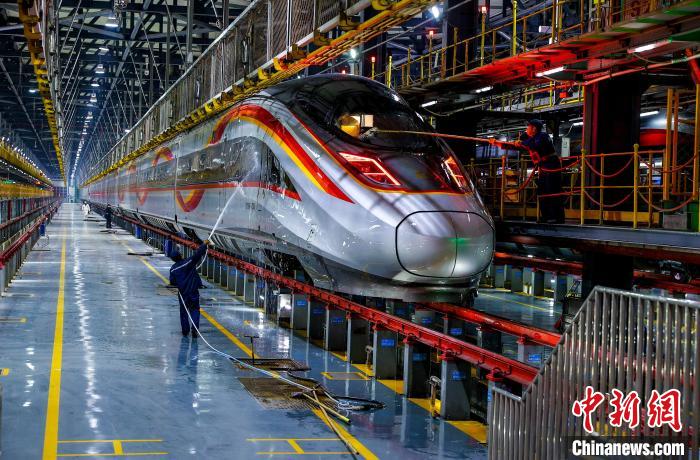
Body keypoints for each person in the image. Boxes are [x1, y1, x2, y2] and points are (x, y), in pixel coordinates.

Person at [516, 119, 565, 224]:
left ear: (534, 128)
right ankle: (546, 216)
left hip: (551, 164)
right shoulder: (534, 138)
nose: (526, 129)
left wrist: (523, 142)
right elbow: (528, 142)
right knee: (542, 191)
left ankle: (556, 217)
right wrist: (521, 140)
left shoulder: (542, 136)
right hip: (543, 165)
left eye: (528, 127)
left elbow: (535, 145)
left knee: (552, 190)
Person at [169, 240, 211, 337]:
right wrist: (204, 244)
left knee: (183, 312)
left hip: (183, 293)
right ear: (180, 256)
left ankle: (185, 331)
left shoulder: (173, 269)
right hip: (193, 292)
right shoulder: (188, 262)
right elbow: (198, 254)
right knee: (195, 310)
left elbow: (172, 282)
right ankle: (195, 330)